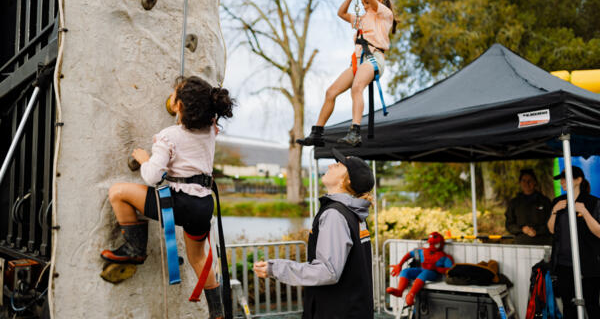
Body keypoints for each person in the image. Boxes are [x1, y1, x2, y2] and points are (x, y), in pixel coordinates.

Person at [100, 76, 234, 319]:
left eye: (174, 95)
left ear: (178, 105)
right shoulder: (210, 129)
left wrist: (144, 159)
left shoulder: (168, 136)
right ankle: (217, 312)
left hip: (177, 203)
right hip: (203, 204)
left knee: (117, 192)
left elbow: (152, 176)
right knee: (198, 257)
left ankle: (135, 248)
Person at [253, 148, 374, 319]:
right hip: (355, 310)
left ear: (345, 181)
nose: (332, 165)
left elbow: (327, 271)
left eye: (339, 165)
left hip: (335, 312)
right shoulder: (354, 212)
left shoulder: (335, 215)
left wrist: (277, 268)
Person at [296, 0, 396, 147]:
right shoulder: (362, 19)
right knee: (331, 92)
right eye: (363, 3)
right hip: (358, 62)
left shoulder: (384, 15)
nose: (365, 6)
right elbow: (341, 13)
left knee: (357, 87)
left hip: (374, 58)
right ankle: (318, 132)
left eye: (367, 3)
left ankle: (355, 131)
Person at [547, 166, 600, 318]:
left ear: (578, 180)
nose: (562, 181)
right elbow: (551, 229)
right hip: (564, 265)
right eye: (561, 179)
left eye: (566, 178)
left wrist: (584, 212)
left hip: (588, 265)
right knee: (568, 307)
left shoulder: (592, 202)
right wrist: (554, 211)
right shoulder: (558, 201)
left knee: (592, 305)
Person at [386, 232, 454, 306]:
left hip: (434, 274)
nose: (432, 246)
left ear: (440, 244)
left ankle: (411, 294)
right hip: (422, 270)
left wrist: (436, 268)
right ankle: (399, 291)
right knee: (405, 271)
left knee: (424, 274)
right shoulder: (423, 250)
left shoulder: (444, 256)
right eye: (431, 244)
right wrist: (399, 265)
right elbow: (409, 254)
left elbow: (450, 270)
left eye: (435, 244)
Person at [505, 169, 552, 245]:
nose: (527, 183)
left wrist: (537, 231)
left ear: (535, 182)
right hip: (522, 244)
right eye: (524, 181)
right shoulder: (514, 203)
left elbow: (552, 223)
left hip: (543, 243)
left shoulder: (545, 201)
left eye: (530, 180)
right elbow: (509, 225)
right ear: (520, 183)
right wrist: (522, 229)